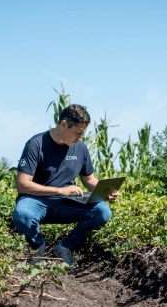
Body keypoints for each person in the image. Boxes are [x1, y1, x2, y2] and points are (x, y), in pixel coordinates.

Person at [13, 105, 119, 268]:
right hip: (37, 202)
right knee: (23, 214)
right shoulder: (36, 144)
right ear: (63, 125)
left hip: (67, 204)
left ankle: (64, 247)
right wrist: (60, 191)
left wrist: (105, 191)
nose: (81, 138)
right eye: (78, 133)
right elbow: (22, 184)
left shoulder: (81, 148)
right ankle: (37, 247)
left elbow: (88, 178)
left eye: (83, 134)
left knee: (102, 211)